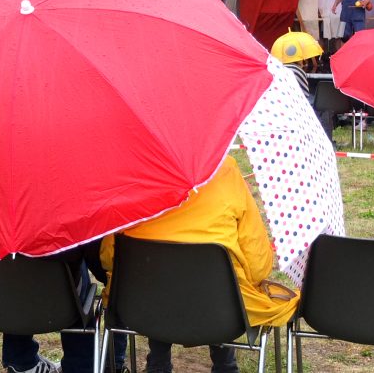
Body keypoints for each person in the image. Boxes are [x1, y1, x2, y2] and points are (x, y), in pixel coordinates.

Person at [100, 156, 299, 373]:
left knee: (161, 277)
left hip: (145, 308)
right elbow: (258, 264)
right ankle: (225, 366)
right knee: (218, 282)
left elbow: (109, 258)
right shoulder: (225, 169)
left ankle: (157, 363)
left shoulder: (137, 172)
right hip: (221, 310)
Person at [2, 241, 128, 373]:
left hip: (10, 304)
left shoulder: (0, 227)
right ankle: (80, 366)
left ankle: (20, 361)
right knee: (80, 284)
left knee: (17, 262)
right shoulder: (73, 226)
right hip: (65, 309)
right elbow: (101, 269)